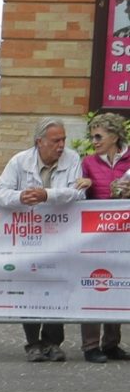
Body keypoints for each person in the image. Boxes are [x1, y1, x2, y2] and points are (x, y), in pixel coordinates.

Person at [0, 117, 90, 362]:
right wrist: (20, 197)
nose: (61, 145)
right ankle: (33, 343)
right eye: (56, 140)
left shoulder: (73, 159)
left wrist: (48, 194)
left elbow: (78, 193)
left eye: (63, 140)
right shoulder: (19, 161)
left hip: (60, 236)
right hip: (29, 236)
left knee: (57, 286)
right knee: (30, 288)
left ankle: (53, 342)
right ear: (39, 142)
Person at [79, 113, 130, 363]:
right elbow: (79, 197)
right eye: (92, 136)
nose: (94, 141)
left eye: (98, 136)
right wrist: (85, 184)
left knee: (119, 283)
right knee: (94, 283)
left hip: (124, 232)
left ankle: (111, 343)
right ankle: (90, 345)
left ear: (115, 136)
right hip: (95, 233)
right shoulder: (88, 162)